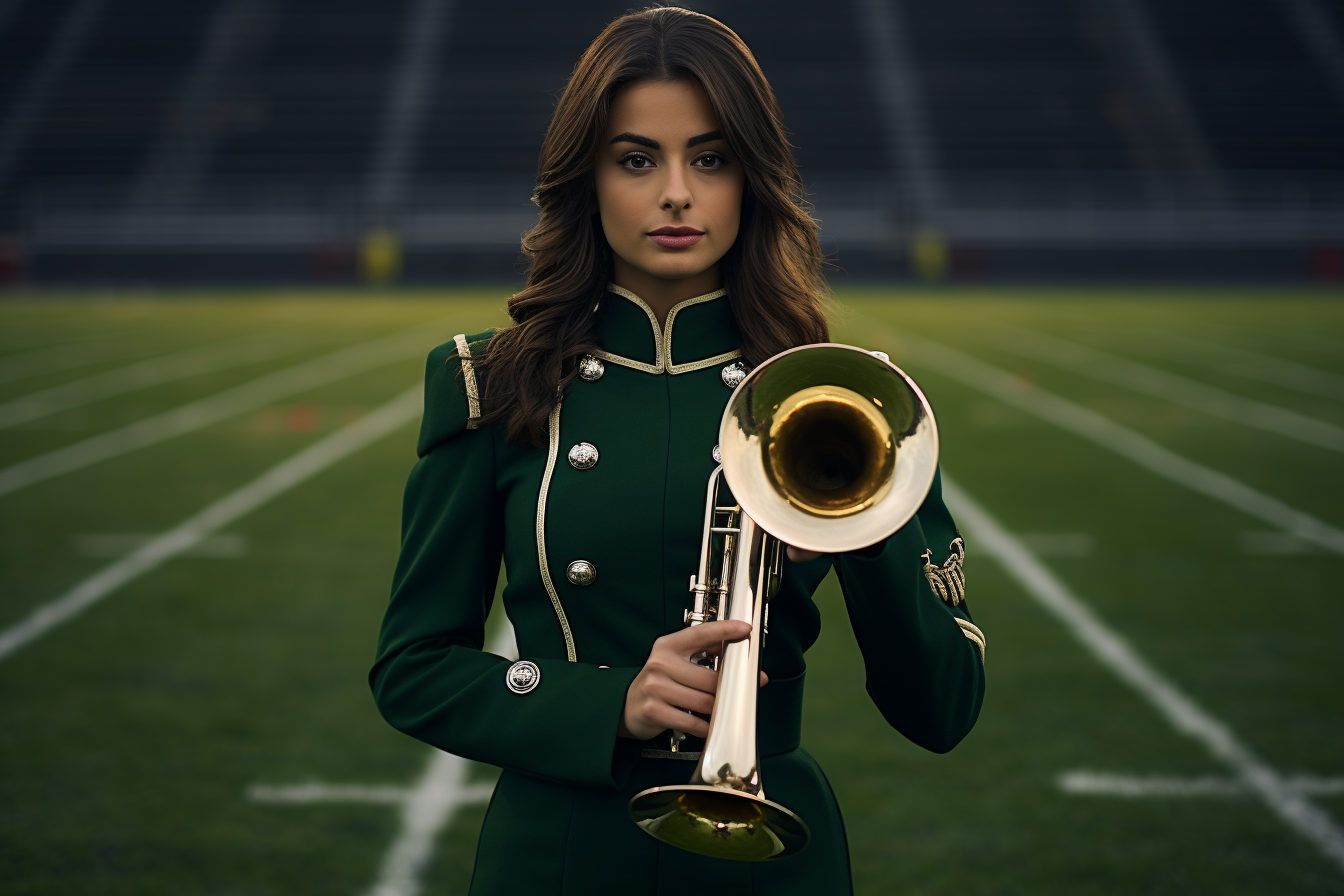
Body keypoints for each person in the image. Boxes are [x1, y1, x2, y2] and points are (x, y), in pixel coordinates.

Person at [369, 8, 985, 894]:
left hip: (773, 855)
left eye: (710, 157)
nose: (676, 194)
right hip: (561, 850)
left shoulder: (843, 399)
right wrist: (607, 704)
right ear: (587, 178)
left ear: (752, 178)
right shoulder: (491, 383)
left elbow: (944, 711)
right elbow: (413, 668)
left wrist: (869, 524)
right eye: (635, 160)